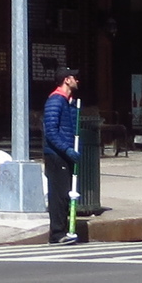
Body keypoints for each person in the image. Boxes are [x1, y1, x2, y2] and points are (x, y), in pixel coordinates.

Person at [42, 69, 84, 245]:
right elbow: (50, 131)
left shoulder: (68, 102)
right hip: (56, 155)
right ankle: (57, 234)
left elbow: (70, 127)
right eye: (75, 78)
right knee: (58, 196)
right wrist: (66, 149)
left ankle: (64, 229)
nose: (78, 81)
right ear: (66, 80)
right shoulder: (55, 101)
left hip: (65, 155)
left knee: (65, 195)